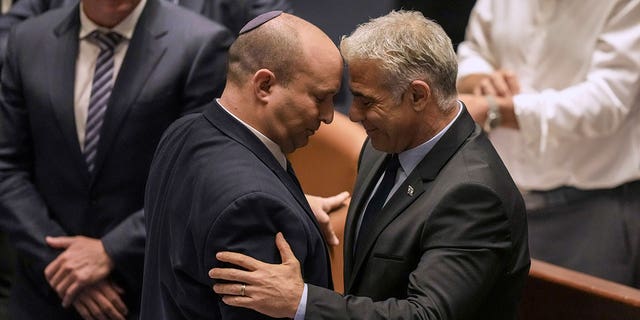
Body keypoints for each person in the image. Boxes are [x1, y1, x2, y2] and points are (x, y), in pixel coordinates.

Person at [209, 10, 530, 319]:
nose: (355, 116)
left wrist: (300, 301)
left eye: (367, 101)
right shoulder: (385, 145)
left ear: (418, 96)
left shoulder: (474, 194)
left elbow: (424, 315)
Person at [0, 0, 233, 318]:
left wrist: (111, 250)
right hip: (43, 289)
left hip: (144, 291)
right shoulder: (27, 39)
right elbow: (7, 166)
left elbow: (196, 180)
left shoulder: (202, 44)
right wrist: (61, 264)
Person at [140, 11, 344, 319]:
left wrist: (295, 210)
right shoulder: (253, 205)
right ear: (264, 85)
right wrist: (275, 209)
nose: (329, 116)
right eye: (320, 97)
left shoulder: (182, 131)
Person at [456, 0, 640, 287]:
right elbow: (474, 50)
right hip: (502, 197)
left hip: (590, 208)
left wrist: (501, 110)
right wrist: (480, 79)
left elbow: (608, 101)